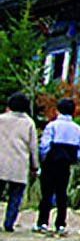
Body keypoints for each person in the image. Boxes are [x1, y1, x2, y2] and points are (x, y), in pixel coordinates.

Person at [36, 96, 80, 233]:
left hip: (51, 163)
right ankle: (60, 224)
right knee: (62, 193)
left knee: (47, 193)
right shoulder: (78, 129)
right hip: (65, 164)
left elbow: (44, 145)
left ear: (57, 110)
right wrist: (73, 159)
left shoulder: (52, 126)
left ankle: (43, 222)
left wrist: (44, 158)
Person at [0, 92, 37, 232]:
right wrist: (35, 166)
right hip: (19, 164)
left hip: (1, 162)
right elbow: (33, 147)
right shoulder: (29, 123)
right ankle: (9, 223)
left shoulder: (1, 119)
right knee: (15, 196)